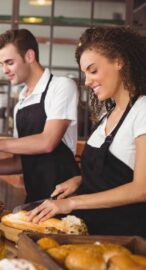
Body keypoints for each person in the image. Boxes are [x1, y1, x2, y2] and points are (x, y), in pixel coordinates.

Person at [27, 26, 146, 237]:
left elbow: (141, 189)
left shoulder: (142, 110)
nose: (88, 81)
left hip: (125, 239)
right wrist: (81, 180)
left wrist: (71, 203)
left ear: (119, 61)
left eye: (93, 70)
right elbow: (113, 173)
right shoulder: (107, 115)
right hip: (92, 233)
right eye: (85, 73)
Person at [0, 29, 81, 203]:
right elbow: (20, 163)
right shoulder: (21, 102)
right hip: (34, 200)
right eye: (2, 64)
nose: (4, 70)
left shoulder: (61, 86)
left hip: (63, 201)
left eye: (9, 62)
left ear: (29, 56)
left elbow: (47, 142)